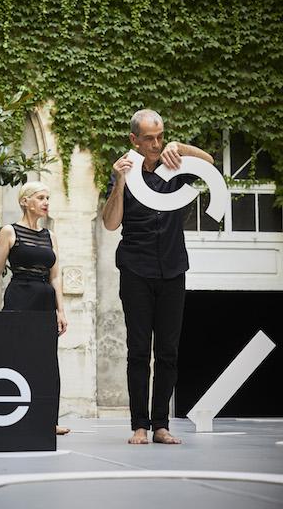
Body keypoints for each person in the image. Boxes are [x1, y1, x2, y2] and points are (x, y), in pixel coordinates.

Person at [102, 109, 213, 445]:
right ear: (134, 139)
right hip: (135, 269)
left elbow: (209, 163)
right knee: (138, 350)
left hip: (173, 268)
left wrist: (181, 147)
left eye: (160, 136)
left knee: (168, 352)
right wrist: (119, 182)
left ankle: (161, 425)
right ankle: (139, 424)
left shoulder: (175, 165)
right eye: (149, 138)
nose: (156, 144)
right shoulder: (125, 170)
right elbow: (110, 223)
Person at [0, 181, 70, 436]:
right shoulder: (9, 231)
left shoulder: (50, 236)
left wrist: (61, 311)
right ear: (25, 201)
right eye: (40, 197)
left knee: (47, 362)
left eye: (47, 198)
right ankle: (9, 414)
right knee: (14, 355)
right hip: (20, 296)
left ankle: (49, 421)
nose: (46, 202)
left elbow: (55, 276)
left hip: (45, 300)